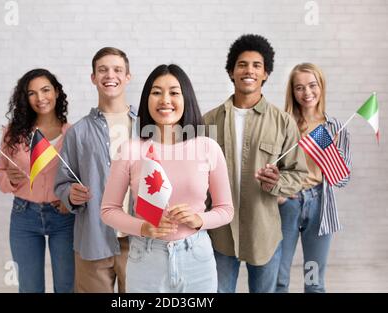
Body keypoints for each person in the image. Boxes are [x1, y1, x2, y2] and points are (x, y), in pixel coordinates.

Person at [101, 64, 234, 292]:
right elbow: (108, 210)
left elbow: (226, 209)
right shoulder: (131, 150)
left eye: (174, 92)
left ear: (186, 98)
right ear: (147, 99)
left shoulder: (207, 147)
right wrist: (143, 227)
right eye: (156, 92)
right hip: (146, 258)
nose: (165, 100)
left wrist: (199, 220)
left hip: (197, 259)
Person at [203, 34, 308, 293]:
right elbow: (195, 175)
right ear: (231, 72)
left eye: (256, 65)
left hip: (264, 232)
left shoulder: (283, 122)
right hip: (220, 234)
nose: (248, 70)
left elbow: (297, 173)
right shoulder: (208, 122)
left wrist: (278, 183)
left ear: (266, 74)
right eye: (242, 64)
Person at [54, 47, 137, 293]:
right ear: (93, 78)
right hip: (93, 240)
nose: (109, 75)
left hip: (139, 241)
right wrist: (70, 194)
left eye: (117, 69)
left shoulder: (146, 127)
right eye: (102, 70)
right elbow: (62, 182)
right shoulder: (77, 132)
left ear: (128, 77)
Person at [0, 68, 74, 293]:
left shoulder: (73, 133)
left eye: (46, 90)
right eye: (32, 93)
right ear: (25, 98)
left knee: (67, 286)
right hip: (24, 215)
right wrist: (8, 179)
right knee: (29, 287)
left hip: (64, 218)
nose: (40, 98)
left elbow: (83, 178)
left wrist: (72, 200)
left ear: (57, 92)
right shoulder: (14, 133)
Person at [276, 63, 352, 293]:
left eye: (312, 85)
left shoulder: (334, 127)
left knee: (314, 279)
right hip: (287, 204)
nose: (307, 93)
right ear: (292, 91)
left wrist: (333, 151)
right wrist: (279, 194)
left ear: (321, 87)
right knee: (279, 277)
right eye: (299, 87)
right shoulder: (283, 124)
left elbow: (342, 179)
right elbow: (270, 165)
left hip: (320, 204)